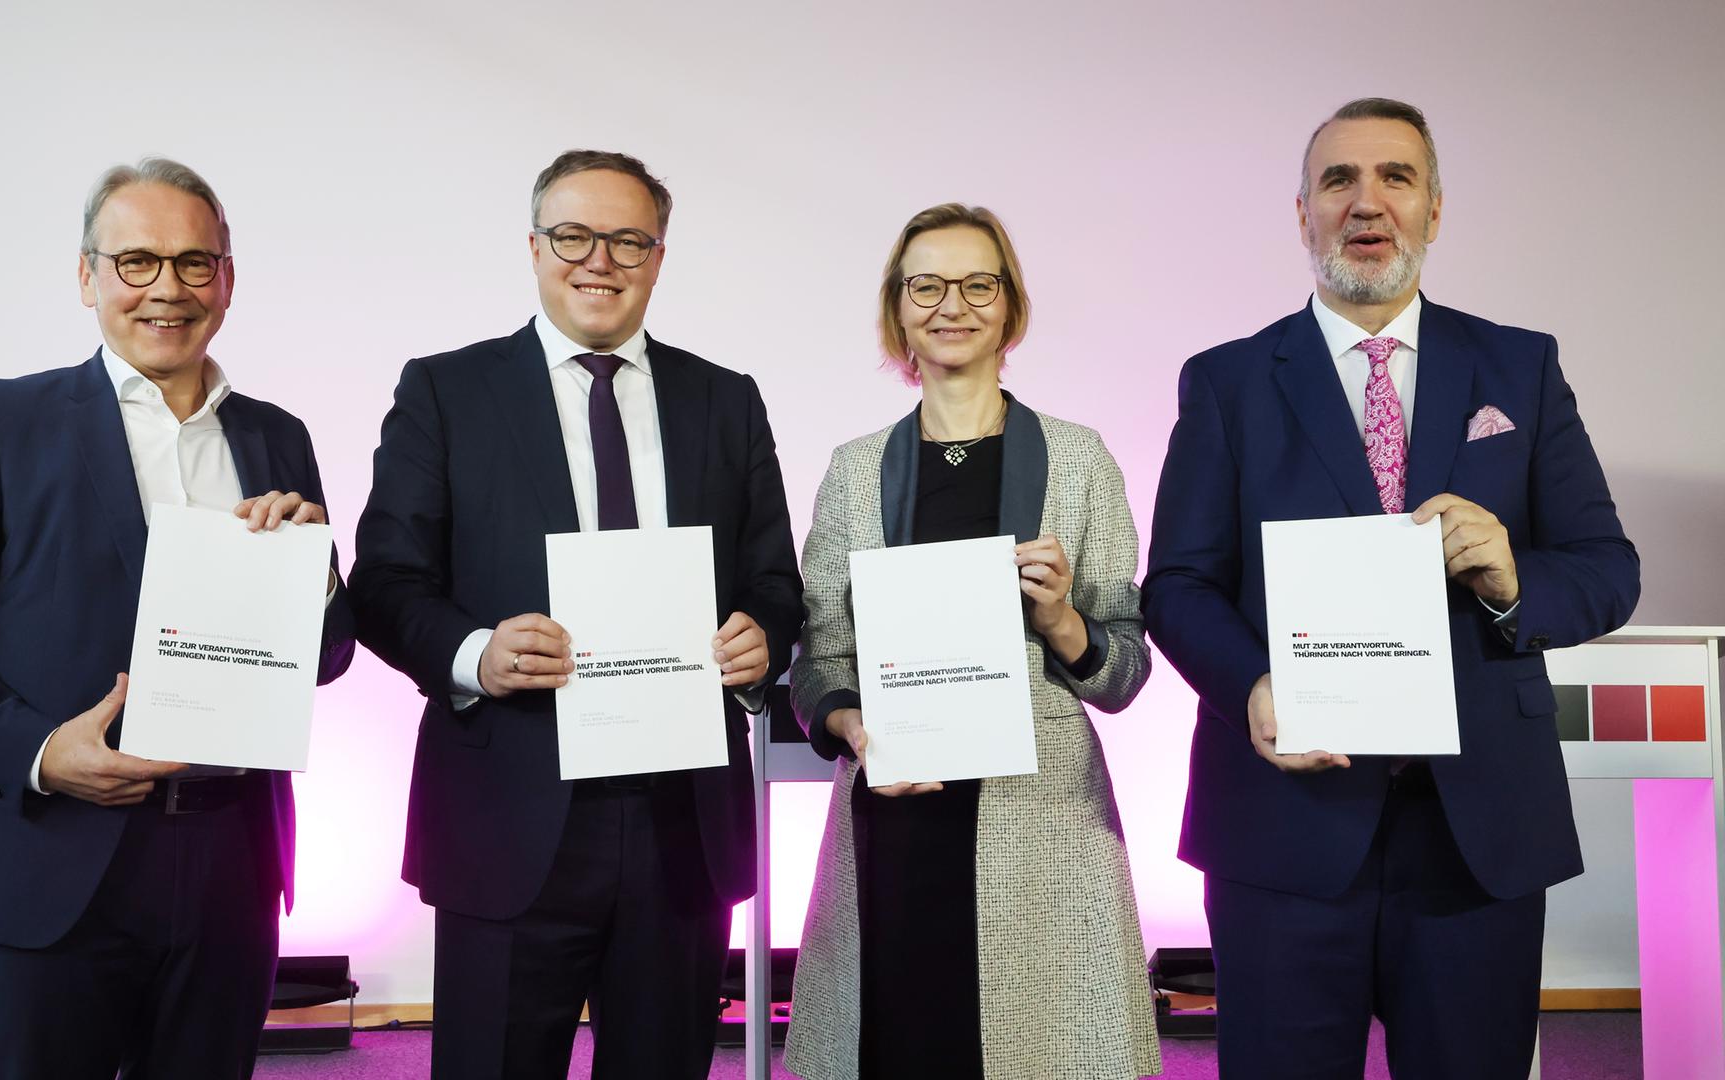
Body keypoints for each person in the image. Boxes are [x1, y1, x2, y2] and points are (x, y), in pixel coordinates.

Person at [1142, 98, 1641, 1079]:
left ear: (1434, 209)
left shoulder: (1520, 368)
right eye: (1339, 180)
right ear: (1303, 214)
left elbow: (1605, 569)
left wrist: (1511, 575)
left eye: (1395, 178)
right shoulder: (1228, 382)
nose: (1366, 202)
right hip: (1283, 831)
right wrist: (1253, 687)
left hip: (1478, 832)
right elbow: (1178, 584)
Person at [0, 158, 356, 1079]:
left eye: (194, 262)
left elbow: (325, 660)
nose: (168, 287)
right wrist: (42, 751)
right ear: (87, 277)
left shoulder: (277, 435)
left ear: (227, 280)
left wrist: (318, 583)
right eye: (136, 261)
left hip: (230, 870)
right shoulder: (2, 420)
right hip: (45, 864)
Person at [350, 149, 802, 1080]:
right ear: (534, 248)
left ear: (658, 257)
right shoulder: (445, 391)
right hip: (507, 817)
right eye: (573, 236)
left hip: (682, 823)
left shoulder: (725, 399)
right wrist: (476, 654)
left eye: (628, 240)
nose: (600, 260)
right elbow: (385, 585)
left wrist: (761, 638)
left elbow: (773, 583)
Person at [783, 203, 1159, 1080]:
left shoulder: (1079, 460)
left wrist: (1063, 621)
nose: (952, 305)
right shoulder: (854, 469)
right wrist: (850, 726)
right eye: (927, 285)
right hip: (894, 819)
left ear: (1011, 305)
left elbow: (1126, 671)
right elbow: (820, 661)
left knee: (1040, 1056)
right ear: (898, 307)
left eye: (977, 284)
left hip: (1043, 822)